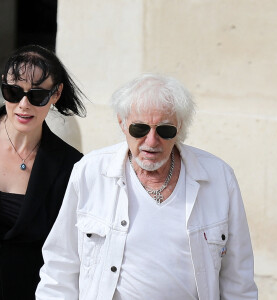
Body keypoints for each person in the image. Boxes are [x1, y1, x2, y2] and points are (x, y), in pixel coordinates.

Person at [36, 73, 258, 299]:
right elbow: (60, 266)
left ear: (179, 128)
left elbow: (238, 279)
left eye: (165, 130)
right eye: (140, 129)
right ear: (122, 123)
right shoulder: (90, 172)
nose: (151, 141)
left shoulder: (219, 178)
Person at [0, 44, 86, 300]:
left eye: (37, 96)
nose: (23, 104)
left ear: (56, 94)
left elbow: (69, 251)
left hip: (29, 291)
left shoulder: (71, 166)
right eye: (13, 92)